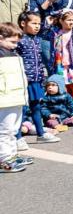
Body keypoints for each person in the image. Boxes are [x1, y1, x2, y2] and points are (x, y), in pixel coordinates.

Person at [17, 11, 58, 145]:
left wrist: (42, 77)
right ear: (23, 24)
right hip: (23, 81)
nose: (37, 26)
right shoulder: (19, 40)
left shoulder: (37, 39)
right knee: (21, 109)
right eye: (33, 23)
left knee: (36, 107)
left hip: (37, 80)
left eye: (38, 24)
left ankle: (41, 134)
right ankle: (17, 138)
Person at [0, 23, 31, 173]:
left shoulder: (13, 53)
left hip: (16, 97)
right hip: (4, 99)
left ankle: (12, 155)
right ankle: (5, 159)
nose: (15, 45)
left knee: (12, 129)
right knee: (5, 131)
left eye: (16, 42)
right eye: (12, 42)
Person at [50, 9, 73, 106]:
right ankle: (66, 108)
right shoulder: (56, 33)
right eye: (68, 20)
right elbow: (46, 31)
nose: (71, 22)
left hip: (72, 65)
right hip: (59, 64)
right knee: (62, 86)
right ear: (61, 21)